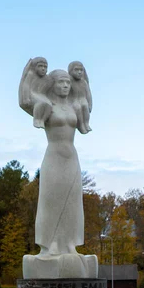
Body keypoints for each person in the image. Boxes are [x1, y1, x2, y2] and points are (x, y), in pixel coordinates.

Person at [34, 69, 84, 256]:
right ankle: (50, 243)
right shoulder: (46, 105)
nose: (65, 86)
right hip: (53, 155)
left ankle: (71, 243)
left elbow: (86, 97)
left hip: (71, 157)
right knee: (50, 201)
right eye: (61, 82)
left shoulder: (75, 107)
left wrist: (82, 80)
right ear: (52, 85)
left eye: (67, 83)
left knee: (72, 202)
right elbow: (25, 100)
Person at [18, 57, 52, 129]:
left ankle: (43, 120)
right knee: (41, 103)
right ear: (34, 67)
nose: (43, 68)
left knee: (48, 104)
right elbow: (26, 86)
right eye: (40, 66)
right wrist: (26, 97)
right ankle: (37, 119)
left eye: (45, 67)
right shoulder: (31, 75)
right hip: (31, 94)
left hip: (40, 95)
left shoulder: (47, 79)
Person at [68, 61, 93, 134]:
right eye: (76, 70)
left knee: (85, 105)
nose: (79, 72)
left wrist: (90, 104)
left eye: (81, 70)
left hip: (82, 99)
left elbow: (88, 94)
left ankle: (86, 123)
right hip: (73, 100)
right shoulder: (69, 80)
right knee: (77, 107)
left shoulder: (83, 82)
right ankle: (81, 124)